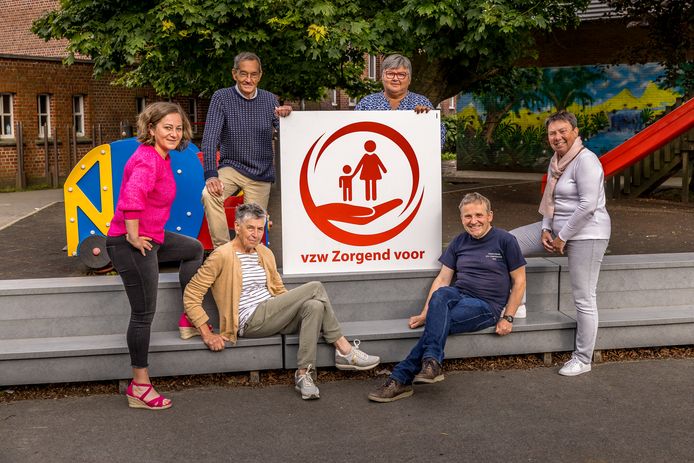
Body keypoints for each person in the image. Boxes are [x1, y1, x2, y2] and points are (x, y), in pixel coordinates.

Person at [182, 203, 380, 400]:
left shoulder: (265, 253)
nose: (255, 234)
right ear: (237, 227)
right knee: (315, 287)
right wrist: (207, 334)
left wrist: (293, 307)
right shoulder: (222, 255)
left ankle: (304, 374)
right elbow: (191, 294)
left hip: (272, 314)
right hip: (249, 320)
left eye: (260, 229)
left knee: (314, 306)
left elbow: (278, 291)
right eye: (250, 228)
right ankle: (344, 349)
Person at [368, 193, 526, 402]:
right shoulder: (459, 241)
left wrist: (508, 317)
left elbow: (520, 281)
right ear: (461, 218)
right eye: (467, 216)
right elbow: (443, 279)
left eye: (479, 215)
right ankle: (431, 363)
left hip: (486, 306)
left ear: (490, 216)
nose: (473, 221)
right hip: (457, 295)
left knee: (438, 323)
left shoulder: (506, 240)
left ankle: (400, 378)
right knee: (442, 294)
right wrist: (426, 313)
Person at [106, 102, 204, 410]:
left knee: (194, 249)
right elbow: (132, 197)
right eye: (167, 128)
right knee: (143, 314)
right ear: (151, 129)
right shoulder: (148, 159)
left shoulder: (161, 157)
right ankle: (140, 385)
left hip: (152, 237)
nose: (174, 133)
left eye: (178, 128)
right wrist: (133, 235)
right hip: (131, 243)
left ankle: (188, 316)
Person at [511, 110, 610, 377]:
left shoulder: (586, 161)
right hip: (557, 229)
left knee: (584, 297)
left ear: (576, 132)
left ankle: (583, 358)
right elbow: (551, 198)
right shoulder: (557, 161)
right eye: (552, 133)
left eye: (562, 131)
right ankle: (517, 301)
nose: (557, 137)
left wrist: (562, 236)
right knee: (508, 243)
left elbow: (588, 205)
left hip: (588, 233)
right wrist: (545, 228)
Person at [201, 51, 292, 248]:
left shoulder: (270, 100)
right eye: (243, 74)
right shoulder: (222, 98)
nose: (248, 79)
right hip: (232, 167)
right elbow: (210, 139)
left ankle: (245, 261)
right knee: (209, 195)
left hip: (260, 172)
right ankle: (223, 251)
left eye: (253, 74)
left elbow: (285, 131)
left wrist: (287, 117)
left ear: (260, 76)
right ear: (234, 74)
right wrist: (211, 175)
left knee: (252, 228)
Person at [354, 53, 445, 147]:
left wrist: (427, 119)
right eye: (390, 74)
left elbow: (439, 137)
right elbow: (353, 134)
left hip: (410, 160)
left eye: (401, 74)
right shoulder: (367, 103)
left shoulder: (421, 102)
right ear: (382, 77)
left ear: (409, 79)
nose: (395, 78)